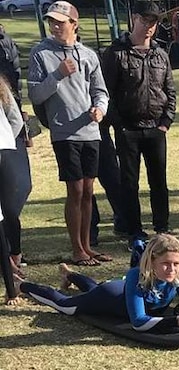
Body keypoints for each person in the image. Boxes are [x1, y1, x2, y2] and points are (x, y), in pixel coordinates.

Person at [28, 1, 110, 267]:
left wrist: (100, 109)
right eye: (51, 22)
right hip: (64, 133)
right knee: (74, 189)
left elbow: (100, 91)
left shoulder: (88, 54)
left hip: (90, 130)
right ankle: (77, 249)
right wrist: (58, 75)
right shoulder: (41, 54)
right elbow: (36, 94)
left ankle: (87, 246)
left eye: (60, 22)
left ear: (74, 24)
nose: (54, 26)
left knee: (88, 189)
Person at [20, 234, 179, 332]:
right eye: (165, 264)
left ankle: (69, 275)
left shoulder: (178, 277)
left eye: (175, 263)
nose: (171, 269)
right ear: (152, 261)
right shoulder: (137, 276)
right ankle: (20, 285)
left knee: (92, 287)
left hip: (118, 292)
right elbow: (139, 323)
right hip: (108, 297)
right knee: (65, 306)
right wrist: (176, 321)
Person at [102, 0, 176, 240]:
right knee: (129, 183)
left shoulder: (161, 55)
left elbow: (170, 91)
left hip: (156, 128)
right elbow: (106, 93)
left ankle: (162, 227)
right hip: (128, 130)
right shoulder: (116, 53)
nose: (149, 26)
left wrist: (166, 122)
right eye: (145, 20)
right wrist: (119, 125)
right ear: (134, 18)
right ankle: (134, 230)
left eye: (153, 22)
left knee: (159, 181)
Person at [0, 75, 23, 305]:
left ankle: (14, 256)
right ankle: (10, 286)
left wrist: (6, 138)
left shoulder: (1, 86)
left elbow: (15, 119)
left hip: (4, 151)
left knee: (9, 210)